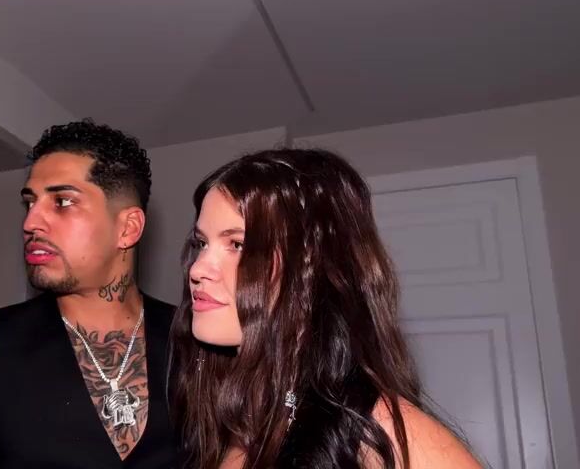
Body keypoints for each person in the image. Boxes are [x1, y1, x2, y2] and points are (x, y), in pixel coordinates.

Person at [169, 148, 482, 468]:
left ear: (312, 268)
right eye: (201, 243)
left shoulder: (376, 429)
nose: (198, 269)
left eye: (237, 244)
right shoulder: (230, 430)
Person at [0, 119, 178, 468]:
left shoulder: (201, 350)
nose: (30, 224)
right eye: (30, 203)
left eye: (62, 202)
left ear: (127, 228)